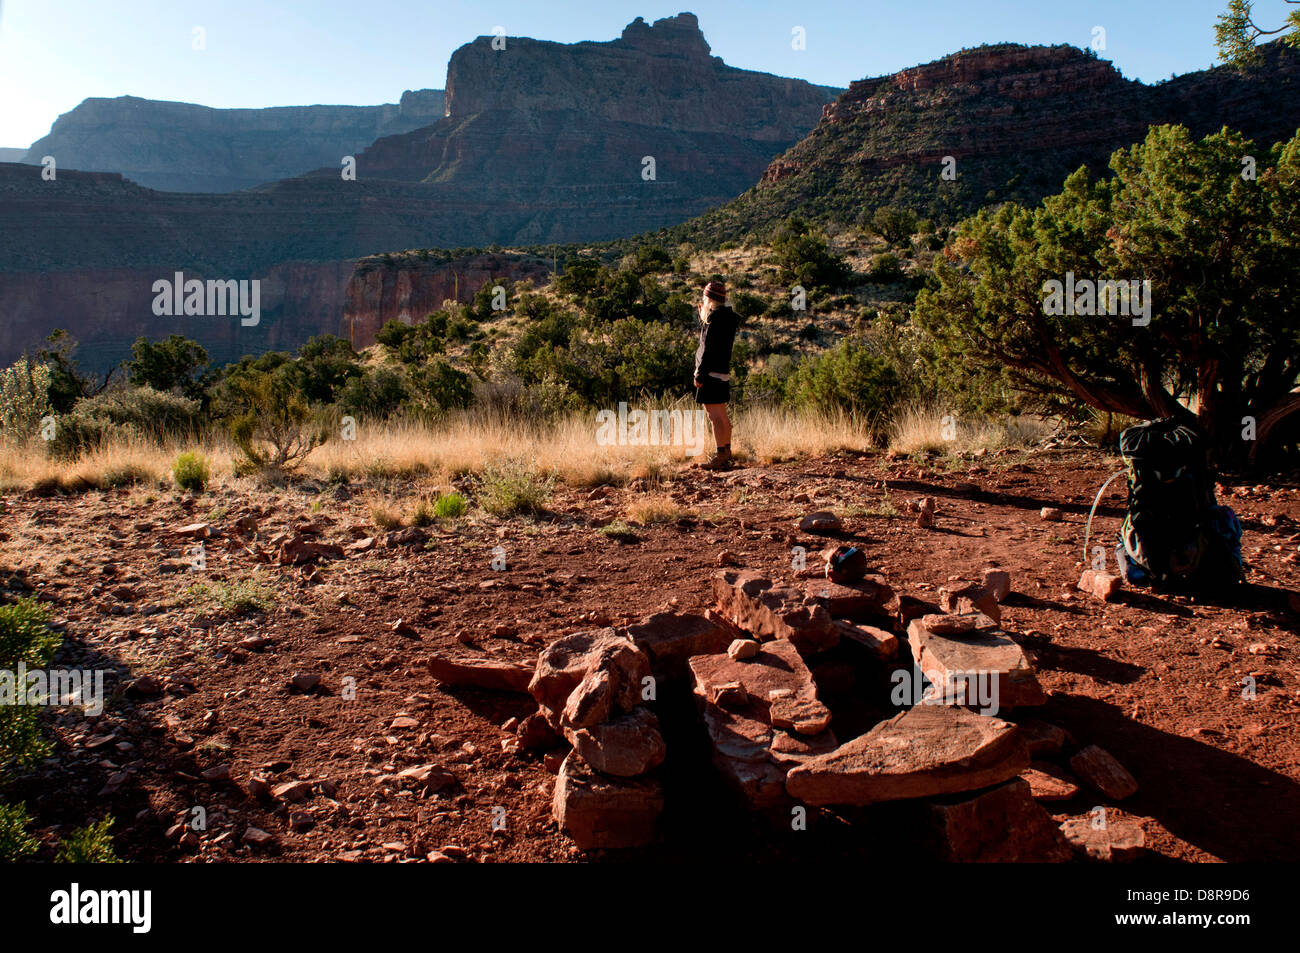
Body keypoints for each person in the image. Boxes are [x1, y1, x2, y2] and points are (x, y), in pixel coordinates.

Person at [693, 280, 739, 470]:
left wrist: (699, 374)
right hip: (722, 372)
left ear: (709, 298)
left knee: (715, 417)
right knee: (722, 416)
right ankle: (726, 452)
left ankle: (720, 454)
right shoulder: (727, 318)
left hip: (710, 374)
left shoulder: (713, 321)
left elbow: (707, 350)